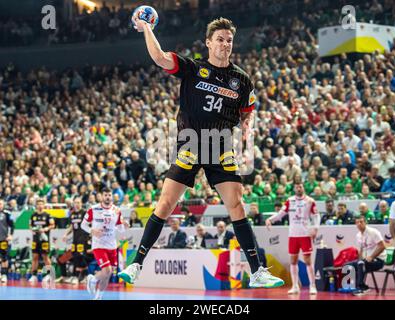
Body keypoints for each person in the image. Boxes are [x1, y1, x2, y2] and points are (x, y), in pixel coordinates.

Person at [118, 17, 284, 288]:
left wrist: (246, 139)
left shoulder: (242, 80)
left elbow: (248, 114)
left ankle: (257, 271)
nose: (225, 45)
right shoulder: (193, 68)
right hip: (191, 143)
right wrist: (146, 28)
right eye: (220, 39)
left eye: (229, 40)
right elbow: (160, 58)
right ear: (208, 43)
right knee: (166, 203)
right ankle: (136, 263)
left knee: (236, 204)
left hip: (221, 146)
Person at [266, 183, 320, 295]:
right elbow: (281, 213)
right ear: (294, 189)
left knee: (308, 261)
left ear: (303, 188)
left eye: (300, 186)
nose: (299, 188)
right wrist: (270, 219)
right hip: (293, 235)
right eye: (297, 187)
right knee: (293, 261)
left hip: (305, 235)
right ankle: (295, 286)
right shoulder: (290, 201)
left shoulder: (310, 201)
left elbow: (316, 215)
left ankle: (312, 286)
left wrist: (315, 228)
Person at [81, 187, 126, 300]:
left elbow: (120, 229)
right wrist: (92, 231)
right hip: (99, 245)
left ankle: (98, 297)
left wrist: (125, 226)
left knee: (108, 274)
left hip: (111, 245)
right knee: (108, 270)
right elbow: (83, 225)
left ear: (112, 196)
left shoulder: (116, 210)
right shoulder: (94, 209)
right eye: (105, 195)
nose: (107, 197)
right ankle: (93, 279)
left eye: (109, 195)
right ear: (101, 196)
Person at [345, 215, 386, 295]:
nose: (359, 224)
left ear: (365, 222)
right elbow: (361, 250)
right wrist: (359, 259)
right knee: (348, 265)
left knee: (361, 263)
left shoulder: (373, 232)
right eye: (357, 222)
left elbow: (382, 246)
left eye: (361, 222)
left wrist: (372, 257)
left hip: (378, 260)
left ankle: (361, 288)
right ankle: (355, 286)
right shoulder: (358, 235)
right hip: (366, 260)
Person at [62, 197, 92, 284]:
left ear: (81, 203)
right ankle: (81, 276)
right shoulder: (72, 214)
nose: (77, 204)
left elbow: (90, 224)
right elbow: (71, 226)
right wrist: (65, 234)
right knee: (75, 256)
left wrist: (90, 235)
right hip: (75, 239)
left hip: (83, 239)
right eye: (75, 203)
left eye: (78, 202)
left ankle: (77, 276)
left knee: (81, 256)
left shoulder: (84, 213)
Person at [29, 198, 55, 284]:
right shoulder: (33, 215)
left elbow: (52, 225)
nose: (40, 206)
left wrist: (45, 228)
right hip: (35, 239)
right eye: (38, 204)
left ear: (44, 205)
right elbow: (30, 226)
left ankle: (49, 275)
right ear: (36, 206)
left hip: (44, 239)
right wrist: (33, 229)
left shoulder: (48, 215)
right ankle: (34, 275)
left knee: (45, 257)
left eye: (41, 204)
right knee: (35, 257)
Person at [0, 199, 14, 283]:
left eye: (0, 204)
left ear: (3, 205)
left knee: (4, 257)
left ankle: (4, 274)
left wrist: (11, 235)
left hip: (3, 239)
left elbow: (12, 226)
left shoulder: (7, 214)